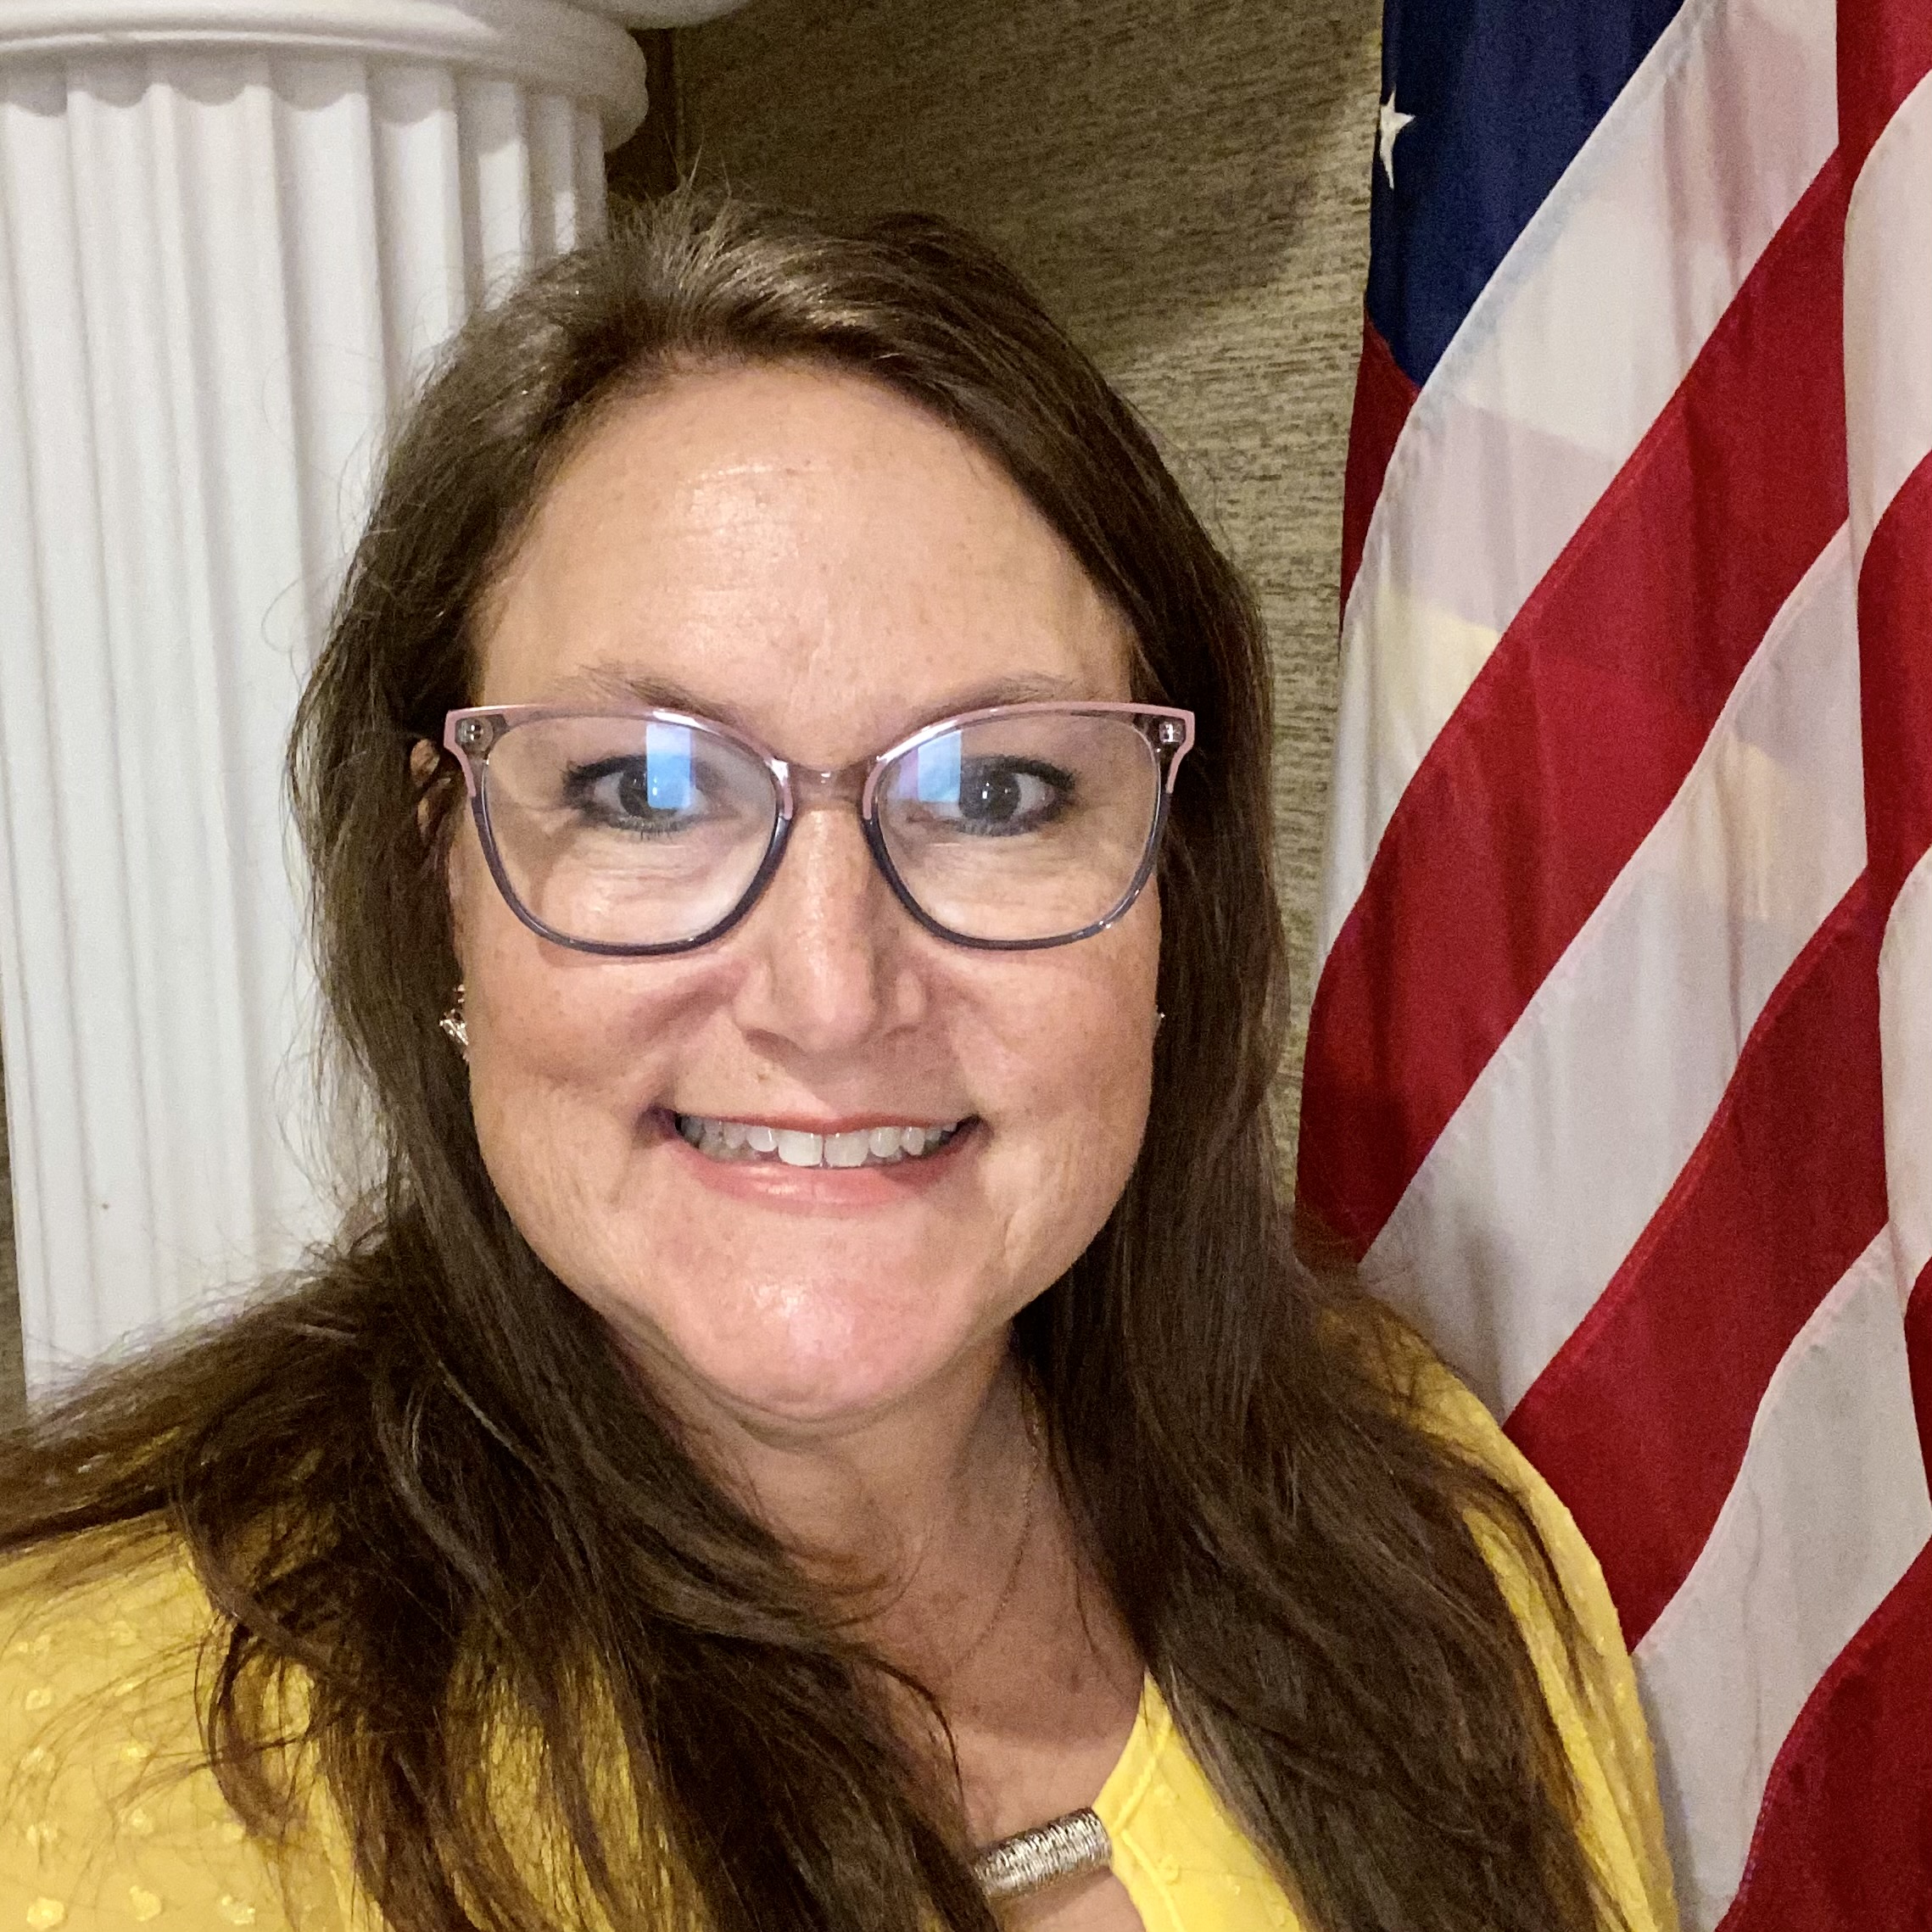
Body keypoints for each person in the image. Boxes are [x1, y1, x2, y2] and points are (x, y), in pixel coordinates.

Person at [0, 193, 1677, 1932]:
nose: (827, 991)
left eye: (998, 791)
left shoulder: (1422, 1536)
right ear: (441, 890)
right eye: (642, 789)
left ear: (1171, 890)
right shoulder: (73, 1773)